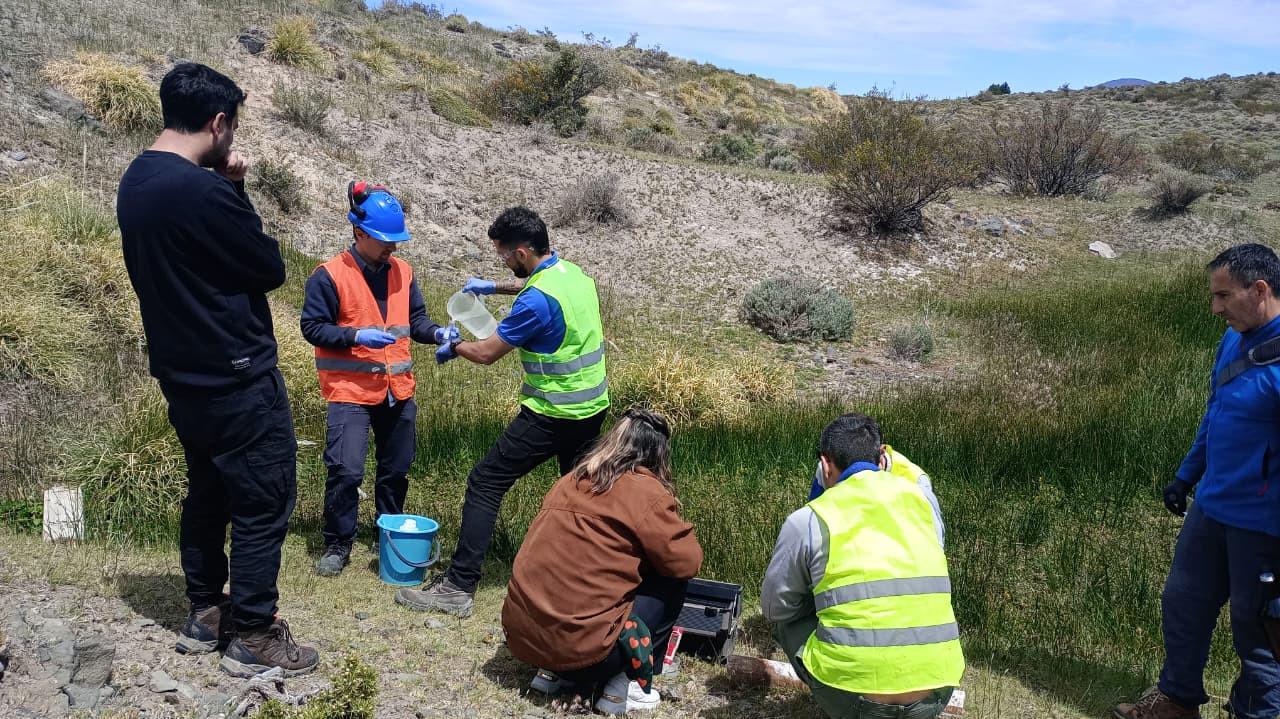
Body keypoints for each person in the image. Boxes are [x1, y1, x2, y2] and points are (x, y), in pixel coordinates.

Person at [117, 62, 317, 677]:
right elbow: (267, 266)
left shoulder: (136, 179)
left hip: (183, 377)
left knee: (207, 492)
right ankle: (254, 633)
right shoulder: (203, 192)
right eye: (232, 128)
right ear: (219, 122)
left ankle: (206, 612)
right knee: (262, 499)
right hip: (238, 376)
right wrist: (236, 187)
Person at [395, 206, 609, 617]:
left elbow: (487, 353)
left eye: (505, 256)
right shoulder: (574, 275)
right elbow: (535, 284)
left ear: (522, 252)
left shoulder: (535, 304)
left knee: (486, 482)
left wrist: (454, 345)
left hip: (552, 412)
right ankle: (586, 584)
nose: (504, 262)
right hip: (592, 408)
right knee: (580, 497)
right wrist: (492, 287)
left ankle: (458, 587)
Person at [1114, 243, 1280, 719]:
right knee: (1183, 603)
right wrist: (1187, 476)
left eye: (1224, 296)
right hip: (1211, 508)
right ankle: (1177, 700)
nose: (1215, 308)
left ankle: (1256, 712)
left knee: (1258, 630)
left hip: (1263, 525)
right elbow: (1216, 413)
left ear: (1260, 289)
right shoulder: (1233, 339)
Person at [500, 407, 702, 716]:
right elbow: (687, 563)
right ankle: (627, 685)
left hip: (525, 641)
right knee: (671, 579)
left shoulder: (571, 480)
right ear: (659, 454)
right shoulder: (648, 492)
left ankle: (549, 674)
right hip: (588, 655)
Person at [761, 412, 964, 719]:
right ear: (882, 458)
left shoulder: (809, 519)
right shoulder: (923, 502)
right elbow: (919, 477)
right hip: (936, 694)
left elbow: (775, 608)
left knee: (787, 618)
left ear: (825, 464)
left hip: (856, 705)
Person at [301, 182, 457, 577]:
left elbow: (416, 321)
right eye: (385, 239)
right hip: (350, 391)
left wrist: (437, 332)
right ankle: (337, 544)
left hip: (397, 391)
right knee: (346, 470)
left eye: (396, 240)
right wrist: (355, 336)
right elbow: (312, 327)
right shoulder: (329, 276)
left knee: (396, 468)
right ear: (359, 232)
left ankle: (388, 531)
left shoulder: (404, 272)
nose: (393, 247)